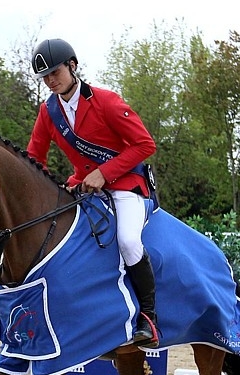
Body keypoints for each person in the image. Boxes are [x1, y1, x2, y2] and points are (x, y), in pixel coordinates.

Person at [26, 38, 160, 348]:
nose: (50, 81)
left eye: (55, 72)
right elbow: (35, 158)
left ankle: (149, 318)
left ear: (72, 66)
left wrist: (105, 172)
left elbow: (145, 145)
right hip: (83, 187)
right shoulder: (48, 112)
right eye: (45, 76)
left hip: (126, 185)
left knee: (127, 241)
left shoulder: (106, 101)